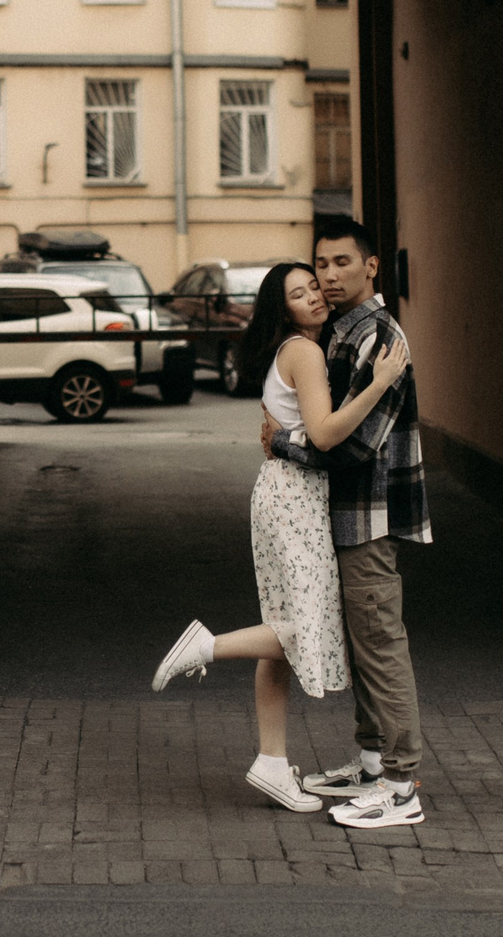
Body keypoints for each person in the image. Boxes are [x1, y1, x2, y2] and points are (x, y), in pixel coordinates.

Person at [148, 257, 410, 813]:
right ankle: (207, 645)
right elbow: (327, 433)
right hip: (296, 497)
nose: (315, 296)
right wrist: (380, 384)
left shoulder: (292, 349)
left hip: (279, 490)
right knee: (300, 626)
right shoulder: (306, 351)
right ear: (281, 308)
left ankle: (271, 763)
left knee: (282, 628)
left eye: (314, 286)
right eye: (299, 293)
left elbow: (297, 430)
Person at [266, 215, 430, 831]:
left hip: (368, 518)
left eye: (341, 263)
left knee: (382, 645)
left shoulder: (379, 336)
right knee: (365, 645)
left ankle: (400, 783)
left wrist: (284, 443)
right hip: (341, 515)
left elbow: (353, 445)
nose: (329, 276)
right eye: (321, 265)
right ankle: (368, 764)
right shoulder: (339, 331)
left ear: (371, 266)